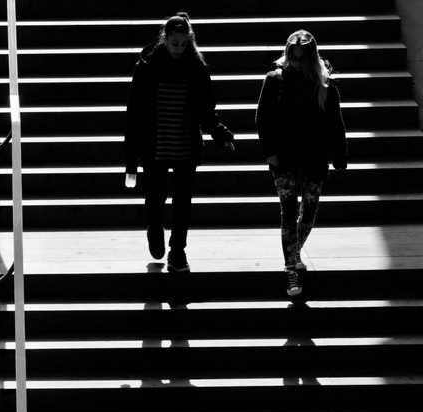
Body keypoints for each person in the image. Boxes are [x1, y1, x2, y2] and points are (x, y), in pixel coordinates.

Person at [124, 11, 234, 273]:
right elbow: (134, 114)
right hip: (155, 147)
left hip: (185, 146)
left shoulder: (196, 67)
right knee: (156, 199)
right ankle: (154, 227)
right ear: (165, 38)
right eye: (175, 43)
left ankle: (178, 252)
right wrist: (130, 159)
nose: (179, 48)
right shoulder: (147, 67)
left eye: (184, 44)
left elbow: (207, 110)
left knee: (182, 203)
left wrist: (220, 132)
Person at [256, 29, 348, 298]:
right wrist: (269, 151)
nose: (296, 63)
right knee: (287, 210)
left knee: (309, 208)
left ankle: (294, 252)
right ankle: (291, 270)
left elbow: (335, 121)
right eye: (292, 58)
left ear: (310, 58)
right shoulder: (274, 79)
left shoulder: (325, 83)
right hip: (283, 155)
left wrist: (340, 155)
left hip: (314, 154)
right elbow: (262, 118)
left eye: (300, 59)